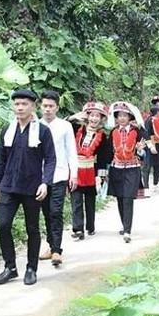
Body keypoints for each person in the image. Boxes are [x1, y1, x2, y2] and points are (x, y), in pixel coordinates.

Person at [0, 89, 56, 286]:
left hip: (32, 186)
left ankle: (31, 268)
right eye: (17, 104)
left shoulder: (42, 131)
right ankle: (10, 267)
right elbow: (0, 159)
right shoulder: (7, 130)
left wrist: (45, 182)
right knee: (3, 225)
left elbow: (50, 159)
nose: (20, 107)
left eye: (24, 104)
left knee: (32, 228)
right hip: (8, 185)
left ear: (33, 106)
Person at [38, 90, 78, 267]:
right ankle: (50, 244)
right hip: (40, 178)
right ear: (40, 107)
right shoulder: (35, 125)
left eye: (51, 106)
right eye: (45, 106)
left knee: (56, 211)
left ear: (57, 107)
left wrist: (73, 174)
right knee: (46, 212)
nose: (47, 109)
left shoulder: (65, 126)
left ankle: (56, 250)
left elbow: (71, 151)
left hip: (60, 175)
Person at [68, 102, 111, 240]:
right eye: (91, 115)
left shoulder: (102, 136)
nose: (94, 119)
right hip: (75, 170)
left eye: (97, 116)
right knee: (76, 200)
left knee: (90, 201)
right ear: (87, 116)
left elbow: (103, 158)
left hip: (91, 171)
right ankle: (78, 229)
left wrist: (101, 176)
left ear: (101, 118)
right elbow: (65, 124)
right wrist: (74, 116)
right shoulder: (76, 129)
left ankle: (90, 226)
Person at [106, 101, 146, 243]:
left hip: (132, 168)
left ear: (130, 117)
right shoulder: (113, 132)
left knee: (128, 198)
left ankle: (128, 231)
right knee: (120, 198)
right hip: (116, 168)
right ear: (116, 118)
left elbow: (144, 152)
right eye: (119, 115)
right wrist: (105, 171)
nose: (122, 118)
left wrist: (140, 150)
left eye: (125, 115)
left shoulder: (138, 131)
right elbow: (109, 152)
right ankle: (124, 225)